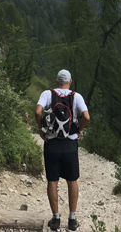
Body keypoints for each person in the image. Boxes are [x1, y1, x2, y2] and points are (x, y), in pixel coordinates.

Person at [35, 69, 90, 231]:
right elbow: (86, 116)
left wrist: (41, 129)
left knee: (52, 181)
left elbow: (38, 111)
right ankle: (72, 219)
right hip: (70, 144)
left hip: (52, 143)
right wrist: (79, 129)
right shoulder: (76, 96)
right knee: (72, 180)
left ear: (57, 81)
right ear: (70, 82)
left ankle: (56, 218)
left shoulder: (47, 94)